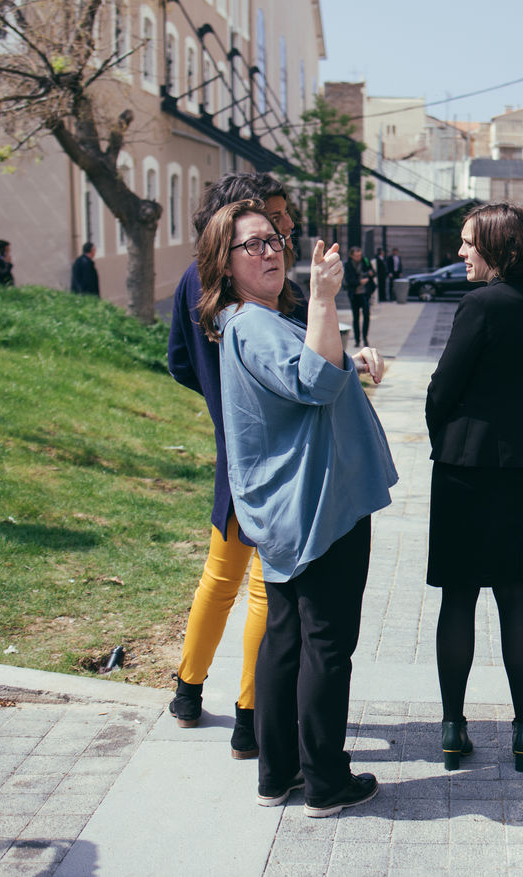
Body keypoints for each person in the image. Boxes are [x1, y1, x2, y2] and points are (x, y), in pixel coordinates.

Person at [196, 198, 396, 817]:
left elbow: (305, 372)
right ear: (225, 263)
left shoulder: (252, 320)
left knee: (284, 639)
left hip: (295, 506)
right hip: (316, 507)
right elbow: (313, 382)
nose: (270, 252)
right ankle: (326, 781)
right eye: (252, 244)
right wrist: (324, 300)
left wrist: (346, 356)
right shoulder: (252, 323)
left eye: (273, 240)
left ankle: (277, 772)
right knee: (326, 645)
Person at [166, 172, 309, 758]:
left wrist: (218, 398)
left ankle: (187, 692)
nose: (282, 230)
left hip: (233, 450)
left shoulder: (192, 279)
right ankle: (250, 719)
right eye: (273, 219)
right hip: (277, 452)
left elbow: (179, 362)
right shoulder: (266, 291)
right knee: (262, 590)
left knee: (220, 578)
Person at [425, 202, 523, 773]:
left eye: (468, 243)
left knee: (458, 596)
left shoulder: (479, 305)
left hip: (465, 463)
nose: (460, 252)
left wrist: (443, 432)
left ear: (497, 248)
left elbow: (443, 387)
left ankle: (453, 727)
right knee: (515, 594)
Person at [343, 246, 373, 347]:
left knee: (366, 315)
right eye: (356, 256)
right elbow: (348, 280)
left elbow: (373, 272)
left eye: (359, 255)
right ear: (351, 256)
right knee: (356, 317)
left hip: (365, 293)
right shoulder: (348, 265)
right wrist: (359, 282)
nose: (358, 258)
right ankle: (357, 339)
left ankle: (365, 337)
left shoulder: (365, 261)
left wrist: (370, 274)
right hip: (354, 294)